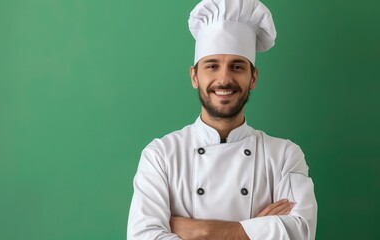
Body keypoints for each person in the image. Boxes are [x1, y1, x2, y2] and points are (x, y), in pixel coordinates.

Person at [127, 0, 317, 239]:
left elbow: (300, 233)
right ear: (195, 76)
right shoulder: (160, 155)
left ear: (253, 78)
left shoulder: (285, 156)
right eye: (212, 66)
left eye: (237, 67)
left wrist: (200, 230)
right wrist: (255, 231)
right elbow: (142, 236)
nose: (224, 79)